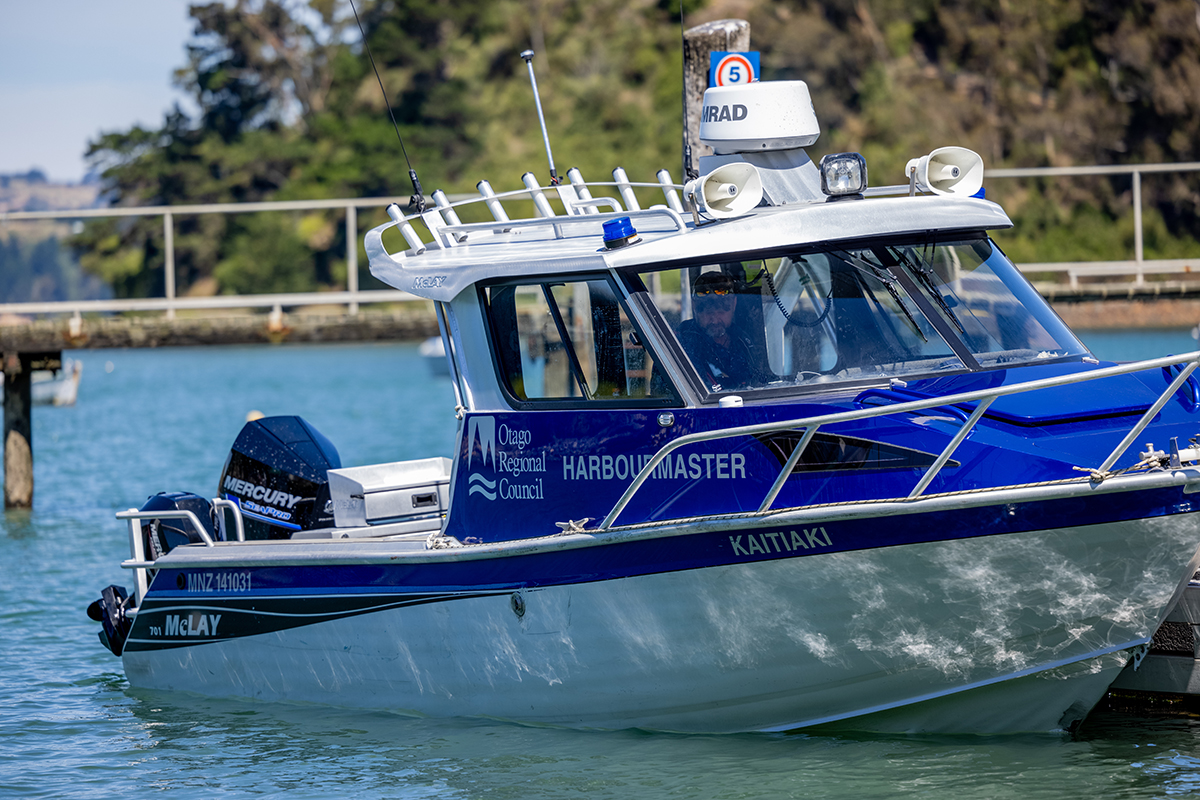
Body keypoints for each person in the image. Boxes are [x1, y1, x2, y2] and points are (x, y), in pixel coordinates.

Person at [676, 271, 768, 391]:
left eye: (721, 312)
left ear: (734, 304)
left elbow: (759, 381)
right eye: (708, 314)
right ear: (694, 306)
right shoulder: (682, 342)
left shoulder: (743, 341)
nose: (714, 320)